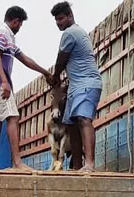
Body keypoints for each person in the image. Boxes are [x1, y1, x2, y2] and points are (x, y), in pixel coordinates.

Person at [0, 6, 54, 170]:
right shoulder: (3, 33)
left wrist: (45, 72)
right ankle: (18, 163)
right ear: (16, 21)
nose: (20, 28)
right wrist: (4, 82)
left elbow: (25, 59)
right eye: (20, 24)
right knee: (13, 118)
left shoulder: (10, 38)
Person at [50, 2, 103, 172]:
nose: (58, 23)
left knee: (84, 120)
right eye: (56, 20)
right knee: (71, 125)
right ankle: (78, 165)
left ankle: (89, 164)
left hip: (87, 83)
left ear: (70, 16)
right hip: (76, 85)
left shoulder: (71, 33)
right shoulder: (76, 32)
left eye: (61, 18)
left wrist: (55, 76)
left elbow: (61, 59)